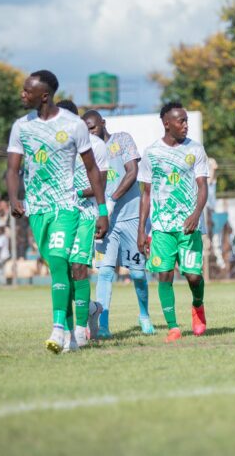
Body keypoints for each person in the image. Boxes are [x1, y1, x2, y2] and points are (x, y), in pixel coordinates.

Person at [6, 70, 108, 354]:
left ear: (44, 96)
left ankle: (59, 329)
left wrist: (102, 210)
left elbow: (92, 170)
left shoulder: (73, 125)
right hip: (37, 210)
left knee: (67, 263)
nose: (22, 94)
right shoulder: (20, 127)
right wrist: (14, 198)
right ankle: (73, 339)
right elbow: (12, 169)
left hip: (67, 206)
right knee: (56, 266)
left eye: (28, 91)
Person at [137, 102, 209, 343]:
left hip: (189, 226)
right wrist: (141, 229)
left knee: (193, 276)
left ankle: (198, 306)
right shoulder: (151, 153)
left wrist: (196, 214)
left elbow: (202, 186)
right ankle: (173, 327)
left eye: (187, 120)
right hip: (161, 228)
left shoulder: (196, 150)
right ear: (167, 123)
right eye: (181, 121)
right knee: (164, 275)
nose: (186, 125)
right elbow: (145, 194)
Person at [84, 110, 155, 336]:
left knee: (137, 273)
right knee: (105, 272)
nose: (90, 133)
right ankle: (103, 324)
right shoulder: (88, 152)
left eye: (93, 128)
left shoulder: (122, 139)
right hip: (105, 221)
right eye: (85, 130)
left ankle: (144, 314)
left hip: (131, 216)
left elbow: (132, 171)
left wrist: (112, 199)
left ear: (103, 124)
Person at [56, 100, 108, 349]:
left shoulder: (96, 146)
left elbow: (100, 184)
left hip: (86, 216)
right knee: (63, 273)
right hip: (60, 217)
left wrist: (102, 212)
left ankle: (77, 333)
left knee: (78, 268)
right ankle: (92, 309)